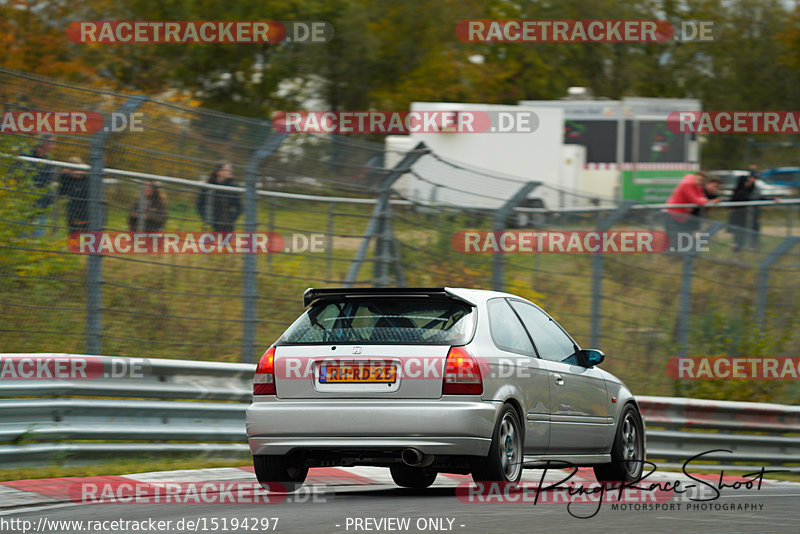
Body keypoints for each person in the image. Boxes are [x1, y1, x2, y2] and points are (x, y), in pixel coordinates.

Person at [9, 135, 57, 236]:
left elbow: (50, 182)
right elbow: (12, 175)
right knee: (21, 234)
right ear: (44, 144)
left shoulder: (49, 161)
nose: (54, 147)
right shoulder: (25, 156)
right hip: (24, 202)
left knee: (38, 235)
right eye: (52, 143)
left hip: (42, 205)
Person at [664, 171, 723, 249]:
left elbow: (701, 198)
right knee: (674, 238)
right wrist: (709, 201)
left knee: (681, 238)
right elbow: (697, 200)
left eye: (701, 181)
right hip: (673, 214)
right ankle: (671, 256)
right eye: (699, 179)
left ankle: (678, 256)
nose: (699, 182)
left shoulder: (697, 186)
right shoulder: (687, 185)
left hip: (681, 216)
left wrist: (703, 201)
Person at [196, 162, 241, 232]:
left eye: (230, 169)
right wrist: (205, 217)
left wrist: (231, 219)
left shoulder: (233, 186)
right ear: (219, 172)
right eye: (227, 169)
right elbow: (199, 203)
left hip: (227, 226)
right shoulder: (208, 186)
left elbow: (239, 207)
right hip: (211, 224)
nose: (230, 171)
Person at [728, 168, 766, 251]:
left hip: (751, 215)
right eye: (752, 178)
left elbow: (760, 198)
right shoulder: (740, 191)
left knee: (753, 232)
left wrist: (772, 199)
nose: (754, 180)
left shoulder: (755, 188)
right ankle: (738, 252)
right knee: (739, 237)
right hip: (740, 218)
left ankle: (753, 247)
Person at [58, 157, 90, 233]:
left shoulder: (87, 178)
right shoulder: (67, 178)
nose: (76, 173)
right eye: (72, 170)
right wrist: (64, 174)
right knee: (74, 233)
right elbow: (61, 192)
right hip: (73, 210)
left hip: (87, 211)